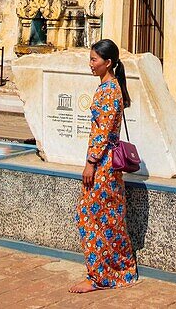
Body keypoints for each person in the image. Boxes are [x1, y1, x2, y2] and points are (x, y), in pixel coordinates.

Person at [71, 38, 138, 293]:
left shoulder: (110, 91)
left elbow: (103, 131)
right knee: (106, 218)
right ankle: (118, 272)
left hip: (103, 164)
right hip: (105, 162)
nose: (90, 64)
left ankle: (99, 276)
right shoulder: (108, 88)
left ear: (107, 63)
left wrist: (90, 163)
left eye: (94, 60)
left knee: (92, 217)